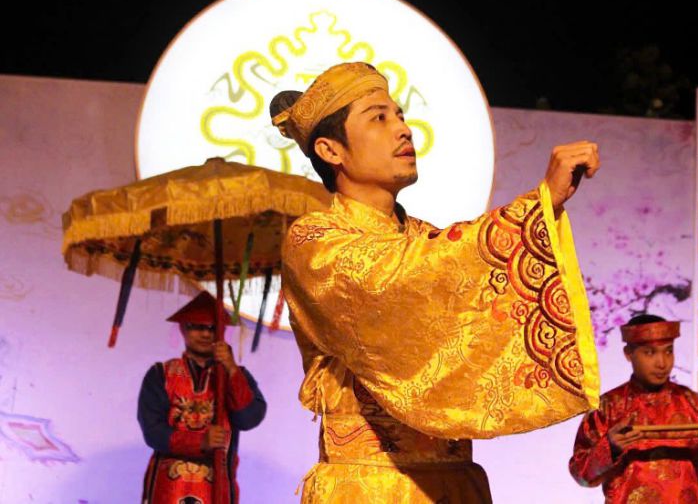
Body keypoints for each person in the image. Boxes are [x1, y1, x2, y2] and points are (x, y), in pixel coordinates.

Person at [273, 61, 601, 503]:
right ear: (331, 151)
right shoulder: (315, 240)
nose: (403, 130)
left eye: (401, 115)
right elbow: (394, 277)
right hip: (369, 488)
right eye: (379, 117)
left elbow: (469, 307)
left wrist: (541, 212)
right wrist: (536, 206)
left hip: (454, 482)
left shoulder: (425, 238)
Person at [568, 314, 698, 503]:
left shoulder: (695, 404)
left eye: (668, 351)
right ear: (628, 353)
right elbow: (581, 475)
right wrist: (610, 447)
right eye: (649, 353)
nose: (662, 363)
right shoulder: (608, 407)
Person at [138, 291, 267, 504]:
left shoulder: (237, 375)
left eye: (212, 328)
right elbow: (153, 431)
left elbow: (249, 418)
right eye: (197, 327)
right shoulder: (161, 374)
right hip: (170, 485)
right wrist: (200, 441)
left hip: (216, 483)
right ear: (183, 328)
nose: (206, 334)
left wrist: (231, 369)